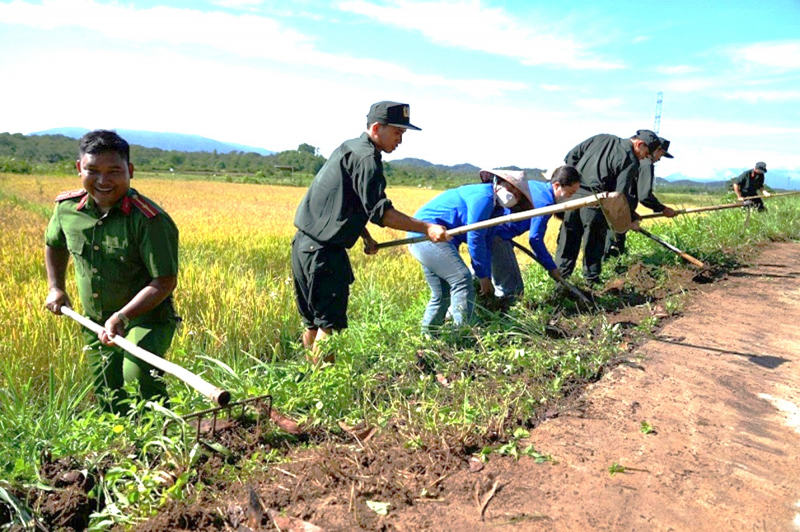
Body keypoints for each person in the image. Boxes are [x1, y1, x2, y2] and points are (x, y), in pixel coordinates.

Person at [291, 101, 449, 361]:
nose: (400, 140)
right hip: (324, 253)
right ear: (377, 128)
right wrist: (427, 227)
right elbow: (381, 213)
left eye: (402, 134)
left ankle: (309, 378)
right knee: (328, 327)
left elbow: (345, 203)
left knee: (313, 323)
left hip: (302, 246)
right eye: (397, 132)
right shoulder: (368, 159)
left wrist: (364, 236)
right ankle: (323, 384)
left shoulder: (349, 148)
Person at [44, 130, 179, 414]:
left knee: (138, 378)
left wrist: (123, 316)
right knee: (107, 391)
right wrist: (56, 287)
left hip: (146, 319)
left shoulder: (149, 219)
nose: (103, 181)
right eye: (93, 171)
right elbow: (54, 243)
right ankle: (119, 439)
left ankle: (162, 435)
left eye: (114, 171)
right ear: (79, 168)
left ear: (130, 170)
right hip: (94, 321)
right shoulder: (67, 209)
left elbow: (165, 280)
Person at [408, 169, 533, 334]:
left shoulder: (496, 210)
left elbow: (486, 243)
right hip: (424, 236)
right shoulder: (484, 197)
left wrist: (486, 275)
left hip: (438, 240)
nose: (512, 195)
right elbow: (475, 237)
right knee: (461, 278)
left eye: (517, 195)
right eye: (510, 189)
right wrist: (482, 277)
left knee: (442, 293)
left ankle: (428, 336)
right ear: (498, 183)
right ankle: (463, 334)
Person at [554, 130, 662, 286]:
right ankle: (591, 285)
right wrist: (628, 219)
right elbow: (620, 195)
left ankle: (559, 283)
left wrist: (573, 183)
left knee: (568, 241)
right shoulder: (631, 160)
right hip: (596, 203)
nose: (644, 157)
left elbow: (571, 156)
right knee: (594, 243)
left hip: (572, 198)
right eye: (646, 153)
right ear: (639, 144)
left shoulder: (601, 137)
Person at [491, 165, 582, 305]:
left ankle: (484, 305)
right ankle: (505, 315)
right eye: (570, 193)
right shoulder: (545, 203)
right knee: (513, 289)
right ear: (557, 186)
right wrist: (551, 267)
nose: (570, 197)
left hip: (492, 234)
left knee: (481, 275)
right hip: (497, 237)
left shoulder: (536, 186)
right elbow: (535, 239)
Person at [605, 135, 677, 257]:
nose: (659, 159)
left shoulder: (631, 159)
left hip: (613, 207)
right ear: (657, 149)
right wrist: (663, 209)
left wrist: (632, 214)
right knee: (613, 248)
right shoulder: (646, 164)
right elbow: (644, 196)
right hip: (619, 212)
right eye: (661, 154)